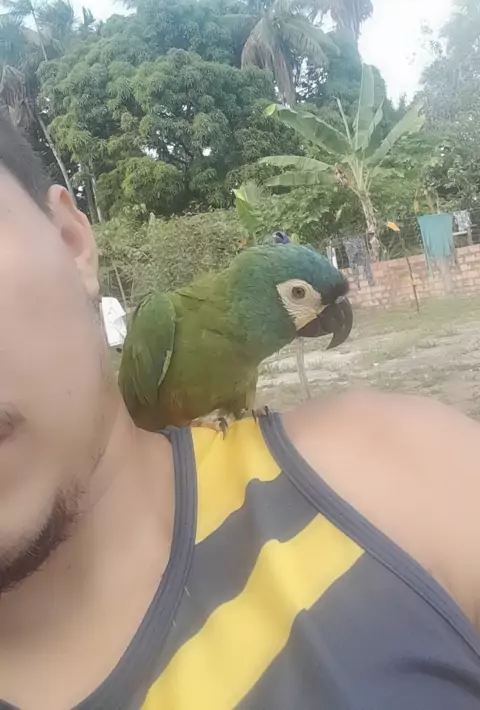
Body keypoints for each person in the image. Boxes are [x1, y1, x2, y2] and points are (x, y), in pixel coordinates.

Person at [0, 116, 479, 710]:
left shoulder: (402, 476)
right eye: (298, 296)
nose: (313, 313)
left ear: (72, 240)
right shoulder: (166, 317)